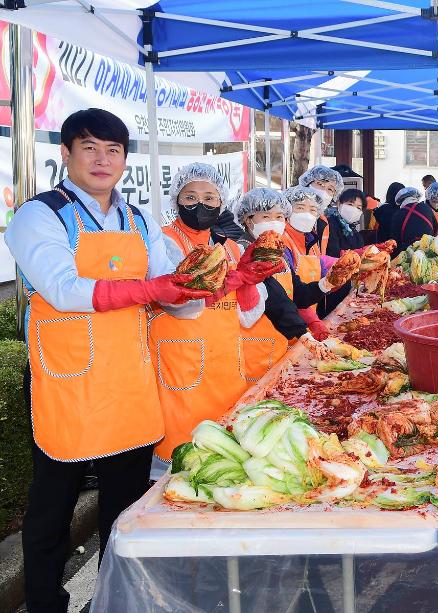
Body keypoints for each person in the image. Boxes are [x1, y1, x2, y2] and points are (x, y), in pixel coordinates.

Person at [5, 108, 210, 612]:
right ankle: (45, 604)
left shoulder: (137, 220)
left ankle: (113, 601)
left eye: (113, 150)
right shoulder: (40, 214)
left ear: (124, 160)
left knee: (123, 508)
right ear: (67, 153)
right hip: (66, 381)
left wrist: (213, 285)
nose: (102, 159)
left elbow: (178, 297)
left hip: (127, 378)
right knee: (53, 507)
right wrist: (152, 287)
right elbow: (62, 287)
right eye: (90, 147)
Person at [149, 163, 281, 477]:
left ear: (222, 203)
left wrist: (249, 280)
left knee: (221, 464)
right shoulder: (162, 241)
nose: (201, 205)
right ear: (175, 200)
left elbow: (249, 315)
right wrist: (237, 278)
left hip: (225, 369)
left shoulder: (231, 248)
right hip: (180, 370)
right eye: (191, 196)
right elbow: (179, 298)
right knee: (179, 463)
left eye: (210, 198)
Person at [235, 188, 357, 380]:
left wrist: (326, 284)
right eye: (265, 216)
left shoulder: (279, 256)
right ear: (248, 220)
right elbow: (276, 300)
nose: (273, 223)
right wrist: (304, 334)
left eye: (279, 216)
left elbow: (298, 295)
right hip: (254, 355)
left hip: (280, 347)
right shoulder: (242, 253)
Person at [281, 184, 332, 340]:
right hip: (286, 328)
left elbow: (322, 266)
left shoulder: (310, 240)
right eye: (300, 208)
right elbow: (290, 292)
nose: (307, 215)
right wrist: (312, 320)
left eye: (313, 210)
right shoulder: (281, 242)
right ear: (287, 211)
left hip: (307, 328)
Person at [390, 186, 437, 254]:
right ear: (415, 197)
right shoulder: (426, 208)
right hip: (428, 249)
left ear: (401, 201)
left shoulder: (398, 214)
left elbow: (395, 240)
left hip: (408, 252)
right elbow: (435, 228)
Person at [325, 187, 367, 257]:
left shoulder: (354, 231)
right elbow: (333, 254)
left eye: (358, 208)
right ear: (339, 204)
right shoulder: (329, 225)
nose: (354, 209)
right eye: (350, 204)